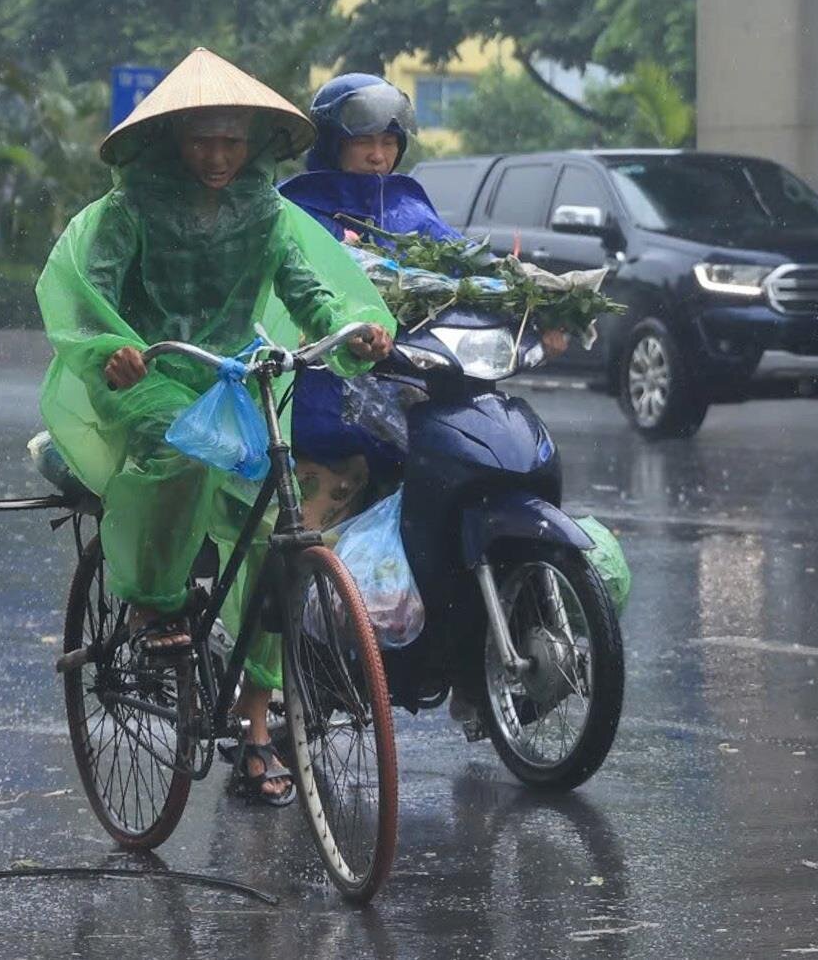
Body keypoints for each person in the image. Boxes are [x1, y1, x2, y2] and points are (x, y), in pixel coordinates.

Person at [36, 48, 395, 807]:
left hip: (230, 375)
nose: (217, 157)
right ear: (171, 141)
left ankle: (257, 732)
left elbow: (307, 291)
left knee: (275, 530)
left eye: (232, 143)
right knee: (184, 452)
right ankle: (153, 599)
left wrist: (350, 328)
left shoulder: (264, 211)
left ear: (253, 146)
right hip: (147, 377)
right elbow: (86, 295)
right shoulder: (126, 212)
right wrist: (113, 353)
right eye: (203, 140)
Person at [279, 73, 568, 528]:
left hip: (416, 390)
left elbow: (470, 269)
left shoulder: (409, 207)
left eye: (389, 142)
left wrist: (539, 314)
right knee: (304, 547)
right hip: (324, 401)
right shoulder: (293, 212)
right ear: (333, 143)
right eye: (364, 143)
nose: (379, 156)